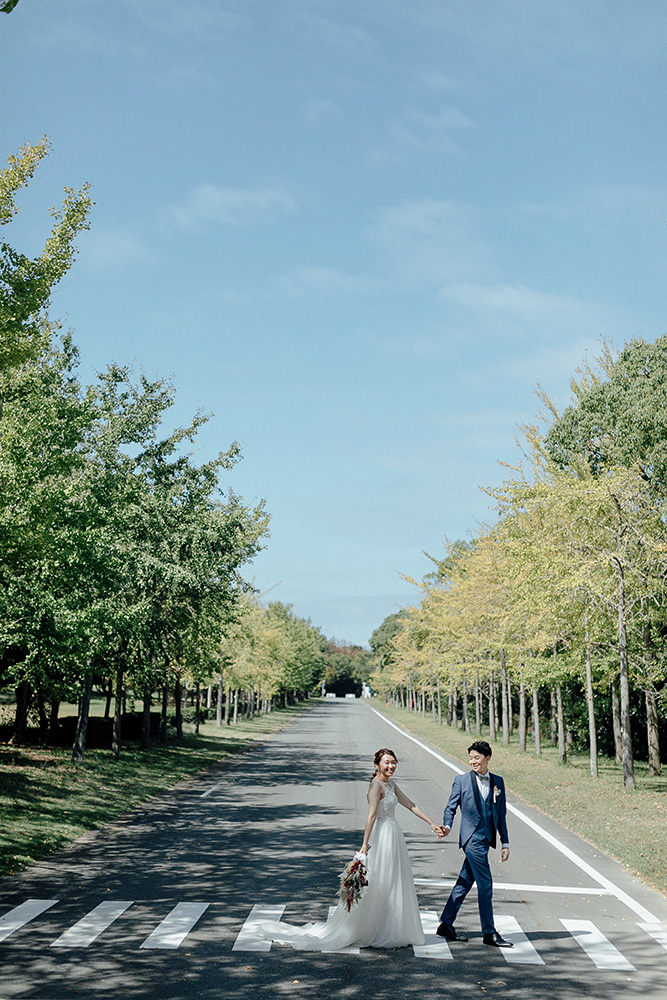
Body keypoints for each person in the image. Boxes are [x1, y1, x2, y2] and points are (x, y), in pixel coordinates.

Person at [254, 747, 443, 950]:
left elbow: (410, 804)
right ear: (377, 765)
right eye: (386, 762)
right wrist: (364, 846)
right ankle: (373, 928)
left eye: (393, 762)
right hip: (382, 837)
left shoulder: (391, 785)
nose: (391, 766)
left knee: (395, 881)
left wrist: (431, 823)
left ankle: (392, 928)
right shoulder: (376, 787)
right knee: (380, 881)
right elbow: (371, 817)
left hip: (394, 834)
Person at [436, 740, 514, 948]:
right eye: (470, 758)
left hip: (486, 839)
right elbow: (450, 807)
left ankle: (446, 923)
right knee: (486, 884)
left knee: (465, 882)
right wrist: (447, 826)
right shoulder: (461, 781)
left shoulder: (498, 782)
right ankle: (489, 932)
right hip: (472, 840)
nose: (472, 761)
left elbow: (501, 815)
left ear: (487, 758)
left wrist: (505, 842)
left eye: (476, 758)